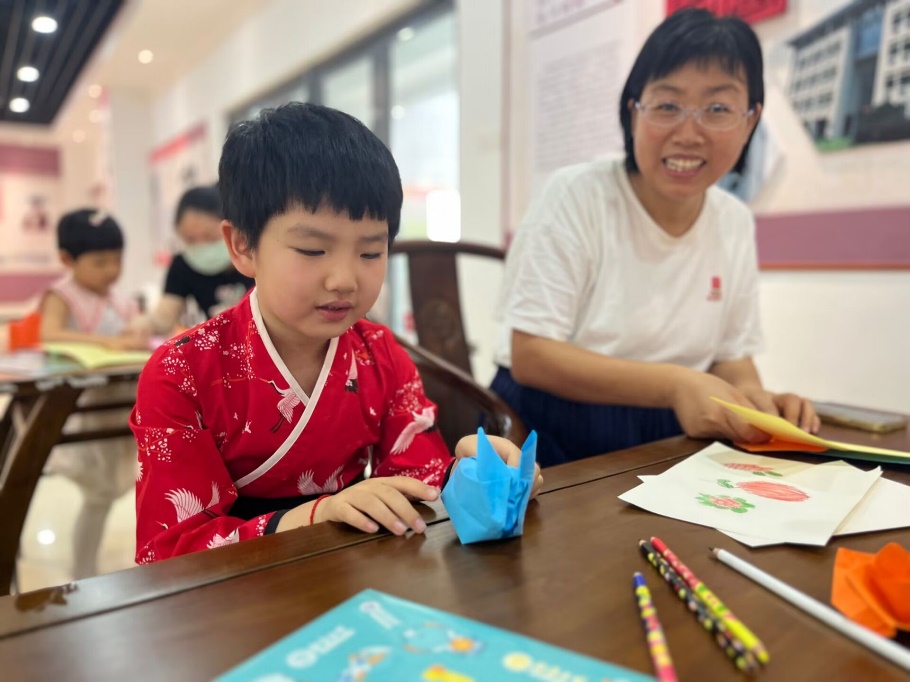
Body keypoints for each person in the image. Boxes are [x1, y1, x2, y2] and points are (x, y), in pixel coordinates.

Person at [131, 103, 543, 563]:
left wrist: (466, 474)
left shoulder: (381, 353)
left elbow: (415, 474)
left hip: (349, 568)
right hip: (238, 586)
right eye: (312, 250)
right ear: (243, 246)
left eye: (370, 253)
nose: (345, 280)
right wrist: (315, 516)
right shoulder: (180, 371)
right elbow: (170, 550)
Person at [491, 9, 819, 467]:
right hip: (549, 424)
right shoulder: (576, 195)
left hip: (672, 429)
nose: (689, 133)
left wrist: (755, 401)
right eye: (667, 106)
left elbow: (732, 359)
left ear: (750, 122)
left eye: (718, 109)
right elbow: (532, 356)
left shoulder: (734, 221)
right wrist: (676, 385)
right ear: (633, 113)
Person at [40, 209, 144, 578]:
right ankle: (82, 572)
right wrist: (105, 341)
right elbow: (49, 334)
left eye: (117, 260)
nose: (111, 270)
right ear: (67, 259)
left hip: (125, 407)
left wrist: (137, 334)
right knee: (97, 495)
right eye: (100, 262)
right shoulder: (62, 295)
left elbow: (136, 333)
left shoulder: (122, 300)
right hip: (90, 410)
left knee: (130, 487)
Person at [149, 186, 253, 333]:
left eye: (211, 238)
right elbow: (164, 317)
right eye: (190, 240)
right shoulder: (183, 265)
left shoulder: (255, 257)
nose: (202, 246)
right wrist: (144, 325)